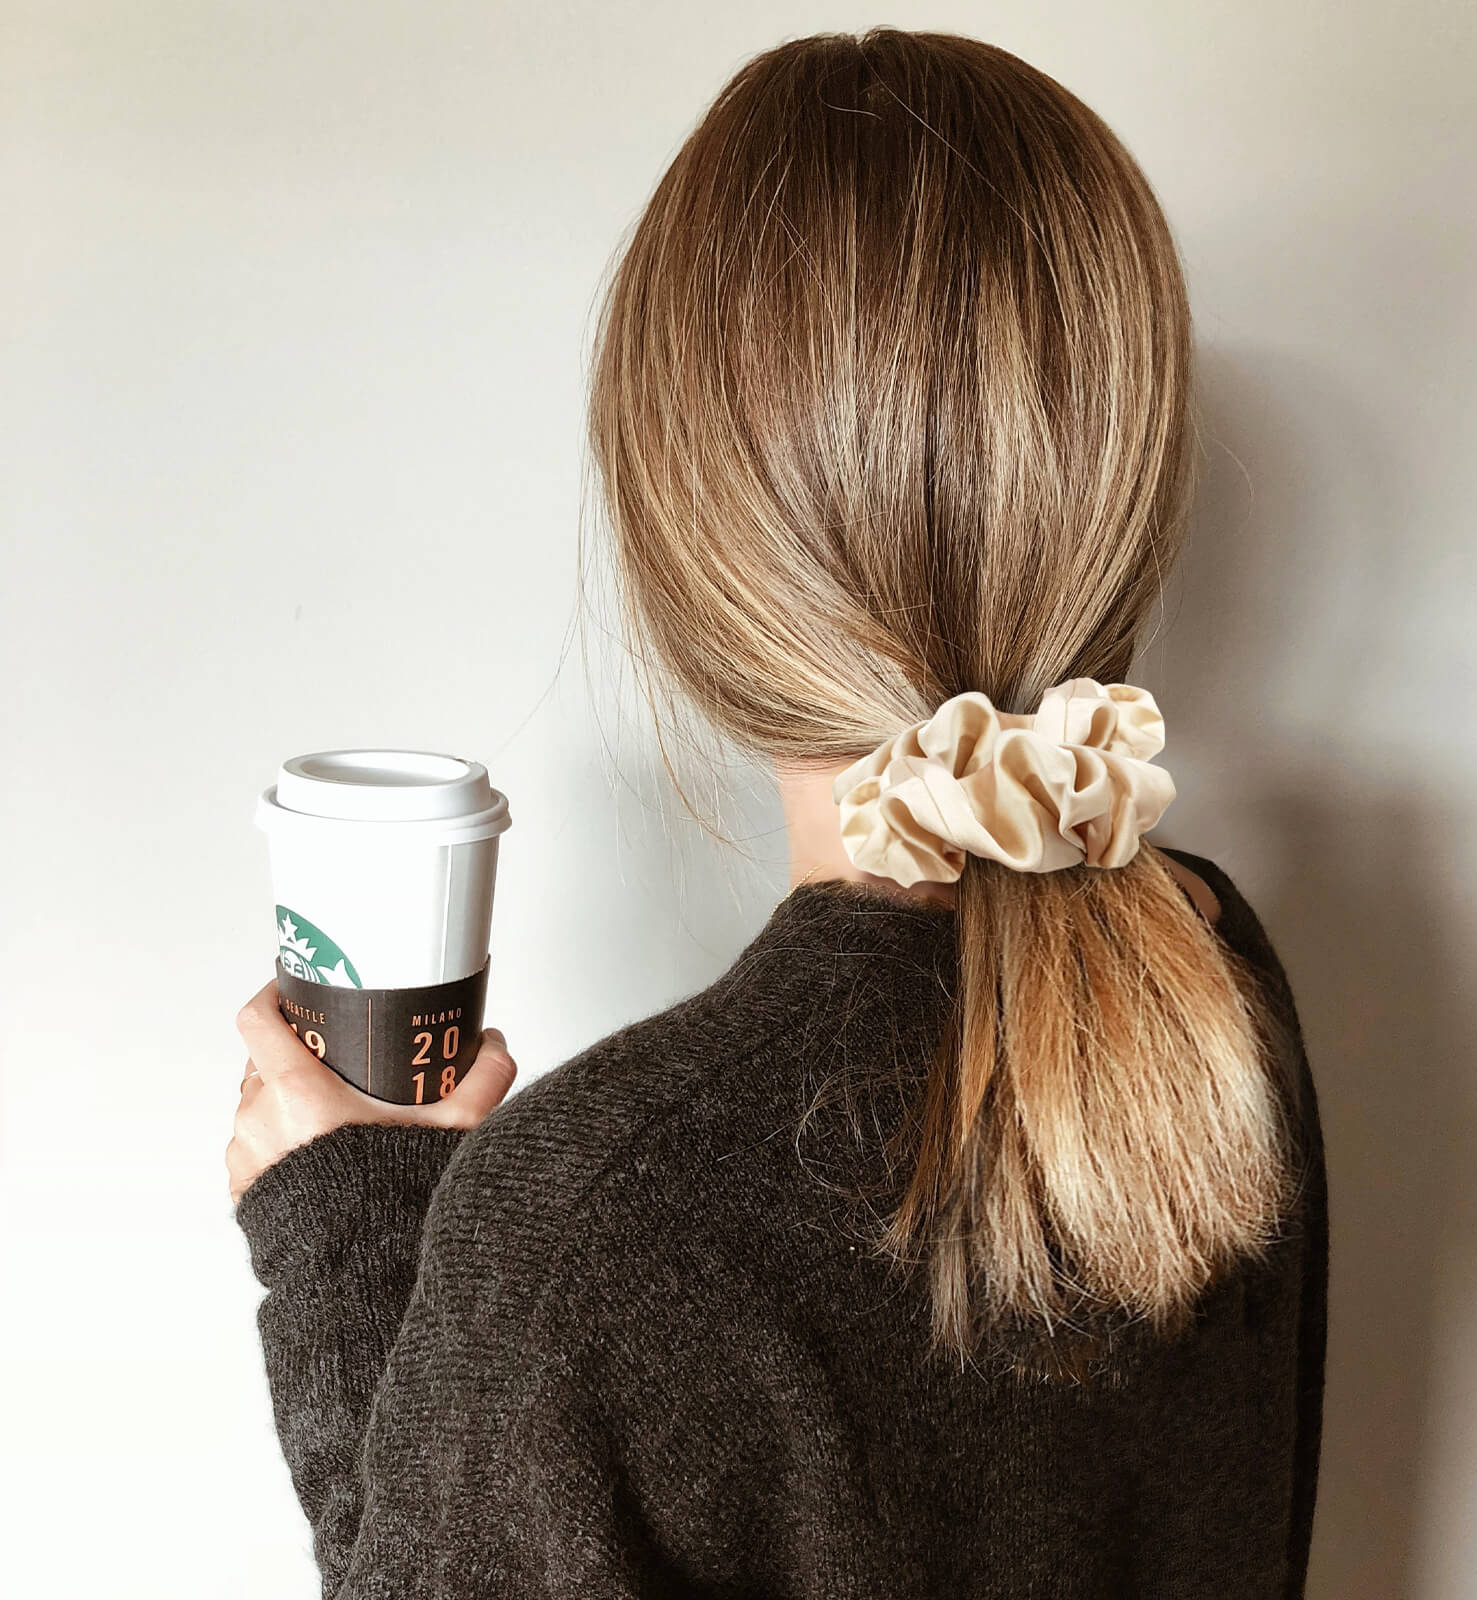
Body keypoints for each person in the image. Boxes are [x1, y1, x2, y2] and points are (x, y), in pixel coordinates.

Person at [228, 26, 1327, 1598]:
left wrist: (362, 1247)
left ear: (685, 561)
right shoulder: (1216, 980)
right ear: (1132, 498)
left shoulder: (597, 1225)